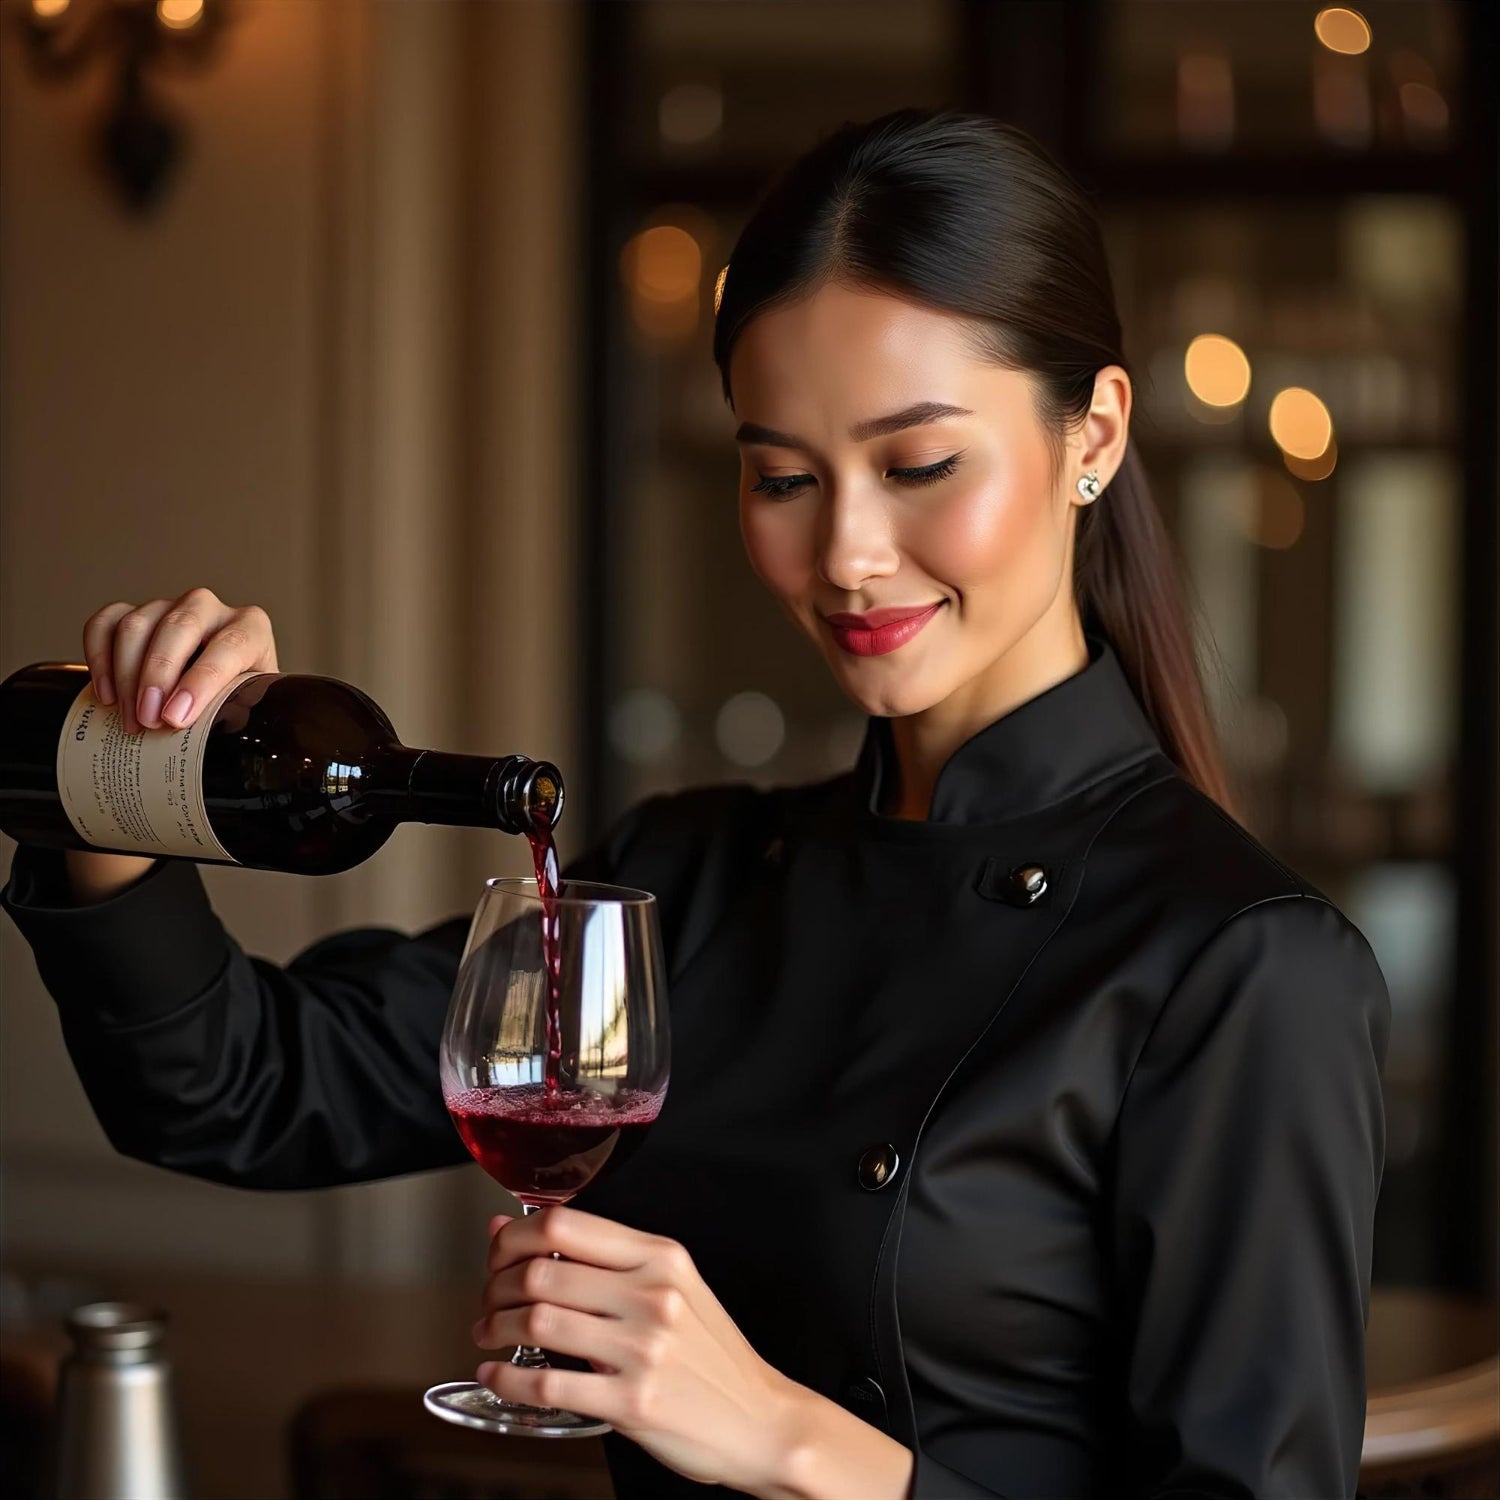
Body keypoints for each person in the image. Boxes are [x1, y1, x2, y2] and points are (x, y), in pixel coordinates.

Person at [2, 108, 1390, 1500]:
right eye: (782, 476)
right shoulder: (699, 875)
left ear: (1092, 434)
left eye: (917, 466)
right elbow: (244, 1091)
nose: (845, 553)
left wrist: (793, 1444)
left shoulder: (1244, 965)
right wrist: (129, 773)